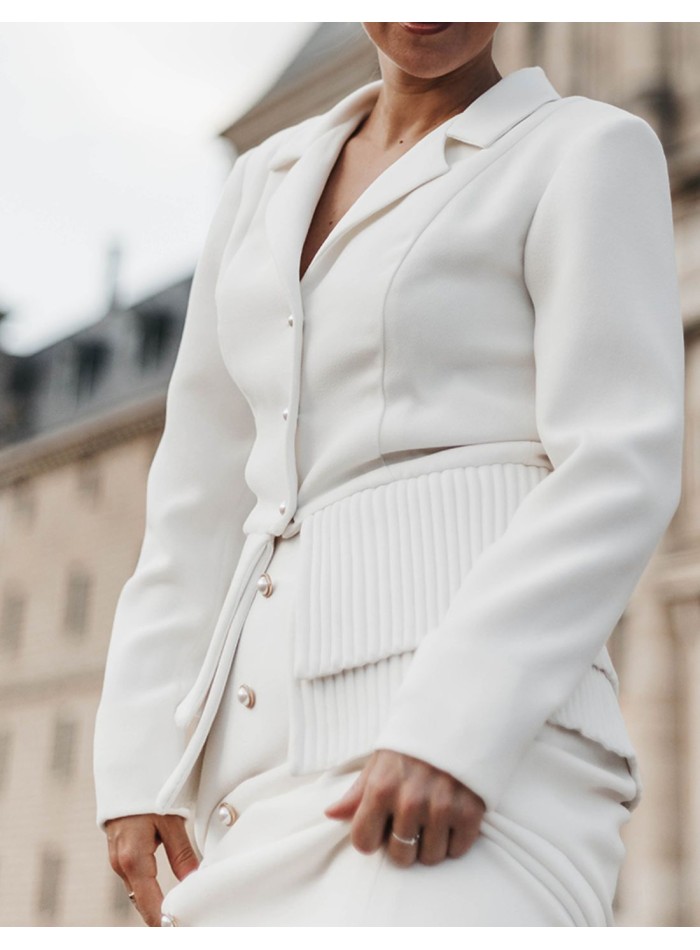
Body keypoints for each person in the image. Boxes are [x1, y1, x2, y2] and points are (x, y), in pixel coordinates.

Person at [93, 22, 685, 926]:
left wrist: (454, 727)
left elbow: (618, 465)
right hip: (254, 775)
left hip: (480, 752)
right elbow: (198, 493)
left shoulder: (588, 149)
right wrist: (139, 758)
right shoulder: (264, 180)